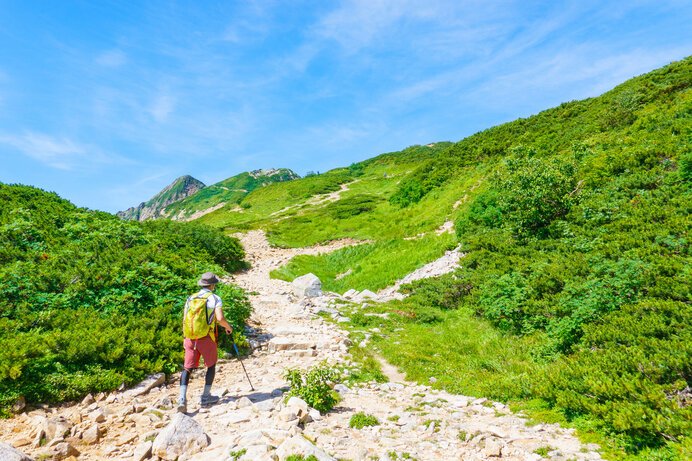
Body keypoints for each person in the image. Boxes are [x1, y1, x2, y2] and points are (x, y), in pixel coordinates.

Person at [177, 272, 233, 413]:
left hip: (190, 337)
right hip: (206, 337)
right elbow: (220, 318)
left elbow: (184, 320)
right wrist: (228, 327)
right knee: (211, 365)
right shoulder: (215, 298)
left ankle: (181, 400)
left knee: (187, 368)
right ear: (212, 285)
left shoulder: (191, 298)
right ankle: (206, 397)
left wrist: (185, 337)